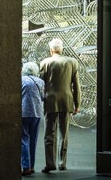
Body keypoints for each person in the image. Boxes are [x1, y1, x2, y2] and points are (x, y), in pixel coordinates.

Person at [38, 38, 80, 173]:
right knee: (64, 133)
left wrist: (40, 100)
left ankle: (50, 164)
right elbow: (76, 86)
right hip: (66, 101)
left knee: (49, 134)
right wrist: (77, 103)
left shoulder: (45, 63)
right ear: (62, 49)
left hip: (50, 101)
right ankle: (62, 162)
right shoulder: (72, 62)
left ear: (51, 50)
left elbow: (41, 85)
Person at [20, 61, 44, 177]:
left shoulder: (21, 80)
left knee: (24, 139)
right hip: (37, 113)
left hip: (24, 113)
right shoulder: (40, 82)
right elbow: (43, 97)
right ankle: (32, 166)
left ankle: (26, 167)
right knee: (33, 139)